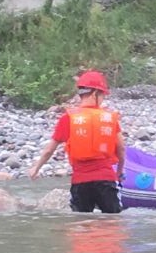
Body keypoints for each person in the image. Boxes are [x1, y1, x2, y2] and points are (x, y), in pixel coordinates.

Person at [29, 70, 125, 213]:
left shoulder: (68, 118)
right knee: (112, 223)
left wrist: (35, 168)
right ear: (95, 94)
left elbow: (49, 149)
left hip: (80, 182)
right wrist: (119, 172)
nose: (103, 99)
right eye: (103, 95)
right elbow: (121, 149)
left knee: (81, 225)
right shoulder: (109, 118)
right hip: (105, 180)